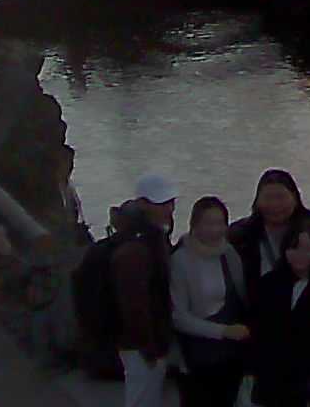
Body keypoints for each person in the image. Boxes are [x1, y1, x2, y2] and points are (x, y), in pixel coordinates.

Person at [245, 222, 310, 407]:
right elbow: (258, 330)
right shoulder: (268, 284)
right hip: (273, 377)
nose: (300, 255)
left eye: (307, 249)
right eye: (295, 248)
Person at [173, 196, 260, 407]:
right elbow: (178, 317)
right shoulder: (180, 260)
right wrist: (222, 331)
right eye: (208, 223)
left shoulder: (229, 254)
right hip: (198, 354)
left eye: (220, 223)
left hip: (231, 354)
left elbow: (241, 297)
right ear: (194, 225)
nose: (215, 230)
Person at [107, 173, 182, 407]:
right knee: (142, 398)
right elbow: (134, 303)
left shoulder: (150, 235)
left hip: (147, 340)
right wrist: (149, 348)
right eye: (161, 204)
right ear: (143, 204)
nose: (168, 209)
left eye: (170, 202)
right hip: (141, 343)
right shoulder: (138, 247)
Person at [232, 169, 310, 299]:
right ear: (257, 201)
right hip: (258, 306)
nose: (274, 204)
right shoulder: (240, 233)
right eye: (268, 198)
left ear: (295, 198)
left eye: (281, 197)